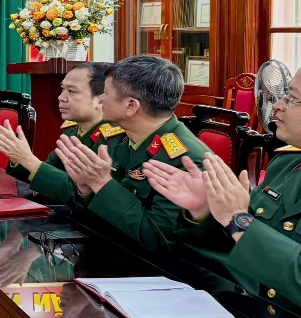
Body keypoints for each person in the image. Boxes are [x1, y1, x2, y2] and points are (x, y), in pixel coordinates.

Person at [144, 70, 301, 308]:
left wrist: (237, 219)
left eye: (292, 98)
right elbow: (244, 251)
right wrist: (207, 212)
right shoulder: (287, 164)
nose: (278, 105)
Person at [52, 56, 210, 254]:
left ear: (131, 106)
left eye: (106, 93)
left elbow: (157, 240)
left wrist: (101, 184)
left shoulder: (183, 159)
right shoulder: (126, 139)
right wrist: (87, 189)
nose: (100, 99)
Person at [0, 62, 121, 204]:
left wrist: (29, 160)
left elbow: (83, 197)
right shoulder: (73, 130)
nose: (61, 97)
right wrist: (18, 158)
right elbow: (43, 176)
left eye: (71, 91)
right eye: (62, 89)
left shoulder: (114, 139)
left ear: (100, 100)